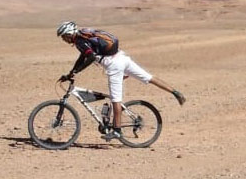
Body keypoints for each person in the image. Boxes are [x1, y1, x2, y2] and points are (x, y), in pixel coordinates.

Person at [56, 21, 185, 139]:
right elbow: (82, 57)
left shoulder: (80, 41)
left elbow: (89, 57)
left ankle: (117, 130)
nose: (64, 40)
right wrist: (72, 72)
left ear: (69, 34)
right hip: (121, 57)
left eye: (64, 37)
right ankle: (175, 92)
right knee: (148, 77)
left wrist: (76, 72)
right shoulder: (84, 36)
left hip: (114, 65)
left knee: (115, 99)